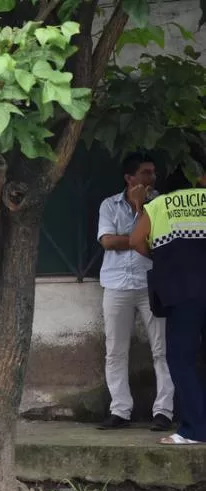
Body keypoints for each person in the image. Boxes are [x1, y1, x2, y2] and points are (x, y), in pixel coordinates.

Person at [95, 152, 174, 431]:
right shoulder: (109, 205)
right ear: (129, 178)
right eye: (145, 173)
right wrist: (138, 232)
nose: (152, 178)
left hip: (152, 282)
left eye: (153, 172)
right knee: (115, 351)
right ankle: (120, 411)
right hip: (116, 284)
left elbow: (160, 243)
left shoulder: (161, 204)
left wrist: (141, 211)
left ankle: (163, 411)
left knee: (162, 350)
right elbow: (107, 241)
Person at [130, 172, 206, 445]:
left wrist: (161, 256)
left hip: (182, 291)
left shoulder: (160, 205)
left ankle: (194, 430)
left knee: (181, 359)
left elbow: (135, 240)